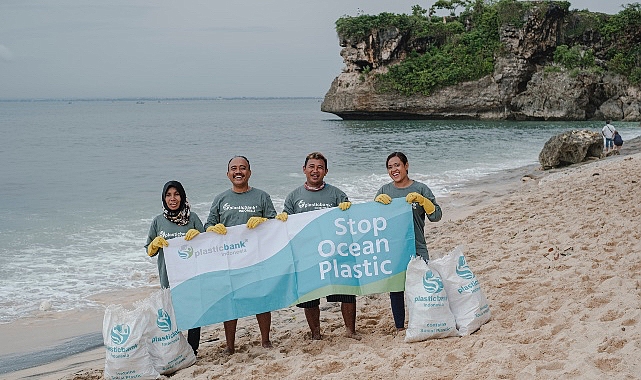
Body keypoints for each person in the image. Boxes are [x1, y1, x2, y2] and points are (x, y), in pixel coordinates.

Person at [277, 152, 358, 340]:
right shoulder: (294, 196)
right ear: (304, 170)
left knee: (346, 291)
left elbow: (350, 222)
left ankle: (350, 331)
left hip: (335, 252)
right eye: (311, 167)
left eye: (320, 167)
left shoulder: (337, 194)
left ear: (326, 171)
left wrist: (349, 210)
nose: (315, 171)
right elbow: (285, 227)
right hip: (307, 255)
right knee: (310, 296)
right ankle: (315, 334)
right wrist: (282, 219)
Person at [204, 155, 279, 354]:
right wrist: (214, 228)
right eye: (234, 168)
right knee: (231, 301)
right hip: (229, 259)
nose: (238, 171)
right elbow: (208, 225)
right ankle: (230, 346)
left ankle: (265, 340)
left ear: (250, 172)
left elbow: (274, 223)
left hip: (257, 258)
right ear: (228, 173)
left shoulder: (262, 196)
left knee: (261, 299)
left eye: (243, 168)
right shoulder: (220, 199)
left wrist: (263, 222)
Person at [374, 152, 442, 332]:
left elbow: (436, 216)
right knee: (396, 289)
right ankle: (400, 327)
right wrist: (376, 205)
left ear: (406, 166)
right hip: (393, 248)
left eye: (397, 165)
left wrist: (423, 201)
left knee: (421, 286)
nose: (394, 170)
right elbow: (374, 222)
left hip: (417, 245)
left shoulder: (421, 188)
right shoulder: (384, 191)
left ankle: (422, 323)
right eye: (390, 167)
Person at [145, 180, 203, 356]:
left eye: (176, 194)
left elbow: (207, 245)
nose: (173, 199)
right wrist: (155, 244)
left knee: (193, 313)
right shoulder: (158, 221)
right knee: (171, 315)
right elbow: (149, 251)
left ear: (182, 196)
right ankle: (176, 349)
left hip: (191, 275)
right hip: (168, 276)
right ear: (163, 198)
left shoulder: (192, 218)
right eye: (168, 195)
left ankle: (193, 349)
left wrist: (199, 236)